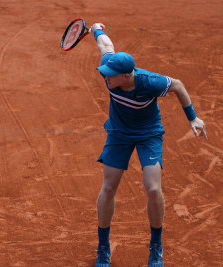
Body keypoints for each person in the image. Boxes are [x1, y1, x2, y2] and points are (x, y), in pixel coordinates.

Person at [89, 23, 207, 267]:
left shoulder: (150, 82)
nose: (105, 76)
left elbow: (178, 85)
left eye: (110, 74)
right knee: (108, 188)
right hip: (119, 133)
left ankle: (156, 247)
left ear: (126, 76)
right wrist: (96, 29)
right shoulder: (110, 71)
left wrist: (193, 117)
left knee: (153, 189)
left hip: (148, 134)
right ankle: (103, 247)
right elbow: (105, 46)